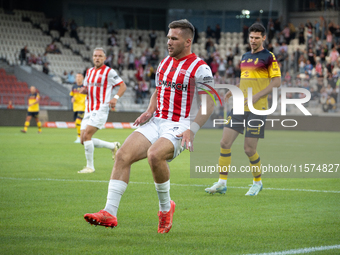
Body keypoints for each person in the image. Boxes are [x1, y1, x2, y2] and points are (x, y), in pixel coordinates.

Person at [83, 19, 215, 233]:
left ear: (188, 41)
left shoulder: (201, 68)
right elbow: (158, 89)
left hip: (180, 124)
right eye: (168, 38)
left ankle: (165, 209)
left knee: (155, 155)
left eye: (174, 38)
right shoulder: (164, 63)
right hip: (156, 121)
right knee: (122, 155)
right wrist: (150, 109)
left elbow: (209, 104)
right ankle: (109, 212)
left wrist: (193, 129)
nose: (169, 42)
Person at [205, 23, 281, 196]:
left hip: (258, 108)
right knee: (224, 143)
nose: (253, 40)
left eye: (256, 37)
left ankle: (257, 182)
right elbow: (247, 80)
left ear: (264, 38)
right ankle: (222, 182)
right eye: (251, 37)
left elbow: (277, 82)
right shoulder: (245, 57)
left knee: (249, 149)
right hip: (241, 105)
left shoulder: (269, 57)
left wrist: (257, 96)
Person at [77, 47, 127, 174]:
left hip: (100, 109)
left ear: (104, 58)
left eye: (100, 56)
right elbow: (87, 88)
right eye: (95, 56)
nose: (97, 58)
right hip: (88, 109)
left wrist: (115, 98)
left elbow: (123, 85)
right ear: (92, 57)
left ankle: (90, 167)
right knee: (83, 140)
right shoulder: (89, 72)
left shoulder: (109, 72)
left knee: (87, 135)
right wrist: (84, 90)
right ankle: (113, 146)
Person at [70, 73, 86, 143]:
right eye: (76, 77)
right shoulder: (74, 87)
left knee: (78, 121)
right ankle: (83, 135)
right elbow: (71, 95)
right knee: (77, 123)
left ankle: (79, 137)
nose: (78, 78)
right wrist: (72, 98)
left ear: (82, 78)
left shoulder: (85, 86)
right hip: (75, 107)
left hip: (83, 107)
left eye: (79, 77)